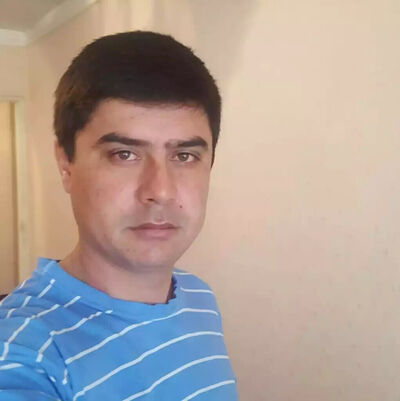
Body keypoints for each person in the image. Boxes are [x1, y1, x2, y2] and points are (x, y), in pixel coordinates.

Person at [0, 31, 238, 400]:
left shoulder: (199, 297)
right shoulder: (25, 353)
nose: (160, 190)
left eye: (185, 156)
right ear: (65, 163)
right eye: (124, 154)